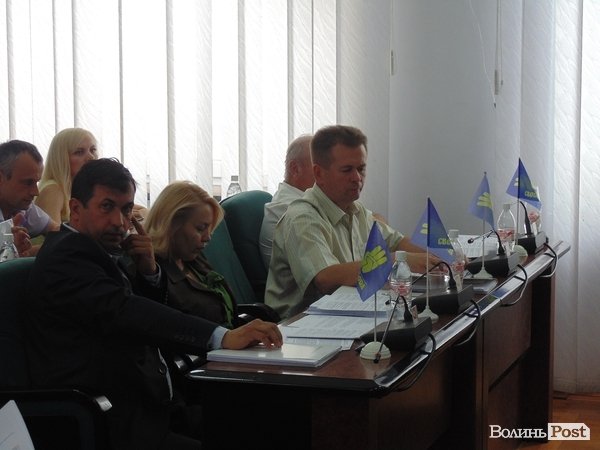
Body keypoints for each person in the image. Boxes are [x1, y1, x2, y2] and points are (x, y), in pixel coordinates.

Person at [23, 158, 282, 450]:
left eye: (125, 209)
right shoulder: (66, 258)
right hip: (117, 422)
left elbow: (137, 316)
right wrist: (220, 337)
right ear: (76, 209)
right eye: (106, 207)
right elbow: (125, 311)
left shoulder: (99, 252)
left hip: (158, 408)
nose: (119, 222)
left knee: (272, 422)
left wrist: (149, 272)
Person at [264, 125, 437, 319]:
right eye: (347, 170)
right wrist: (395, 261)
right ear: (319, 173)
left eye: (361, 169)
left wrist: (440, 255)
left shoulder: (356, 210)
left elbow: (397, 241)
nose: (357, 178)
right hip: (303, 325)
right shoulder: (302, 217)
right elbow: (325, 278)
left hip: (350, 313)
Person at [145, 180, 239, 328]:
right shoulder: (151, 272)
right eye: (200, 228)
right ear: (171, 224)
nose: (208, 237)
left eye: (209, 229)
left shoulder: (192, 258)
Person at [259, 134, 314, 268]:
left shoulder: (308, 200)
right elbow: (324, 272)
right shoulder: (289, 208)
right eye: (319, 165)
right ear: (295, 168)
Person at [0, 139, 59, 256]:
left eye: (36, 182)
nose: (36, 192)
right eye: (28, 182)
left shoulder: (21, 206)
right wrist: (11, 251)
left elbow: (57, 230)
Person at [35, 127, 98, 223]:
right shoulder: (53, 190)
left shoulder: (81, 189)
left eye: (93, 150)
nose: (91, 157)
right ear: (61, 159)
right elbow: (54, 232)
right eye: (79, 152)